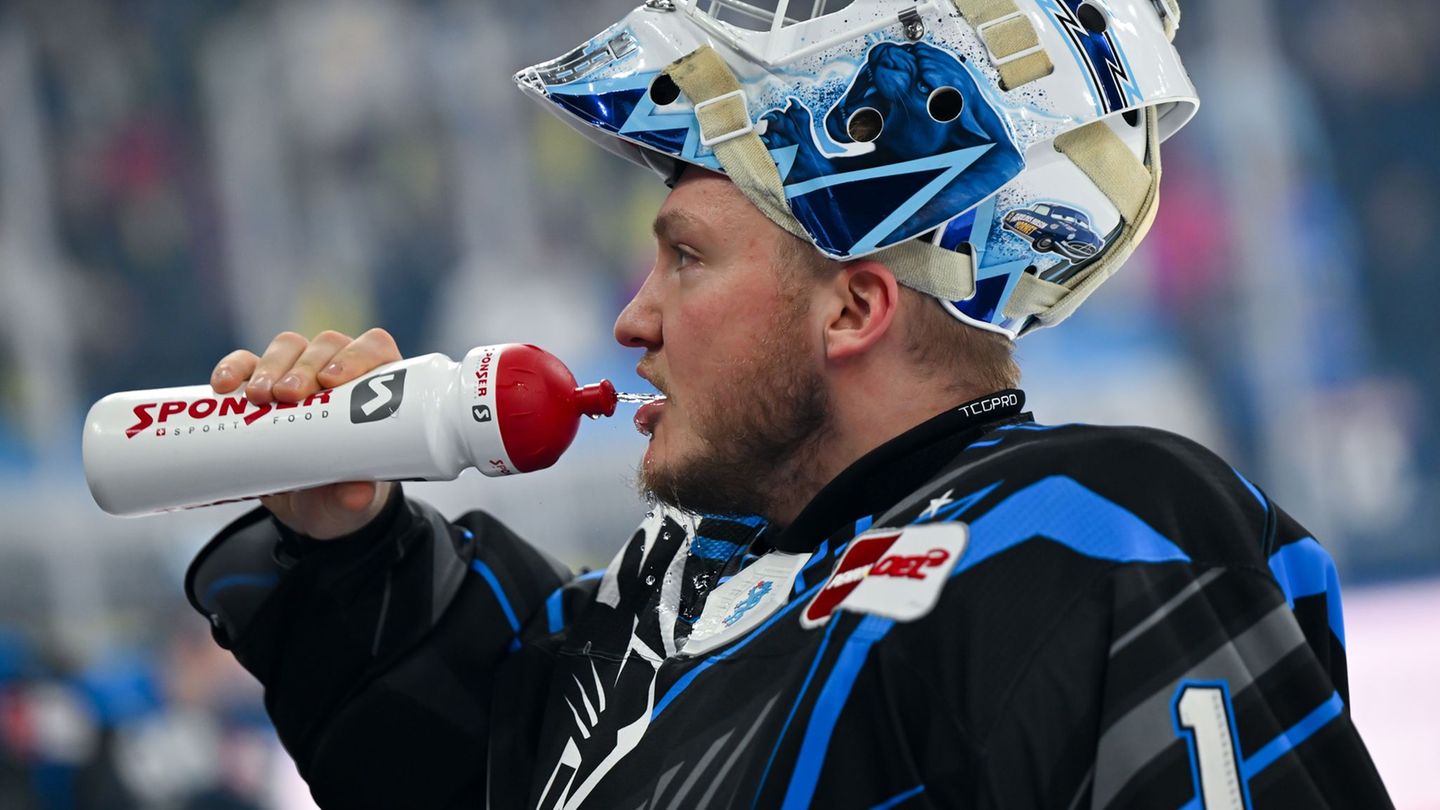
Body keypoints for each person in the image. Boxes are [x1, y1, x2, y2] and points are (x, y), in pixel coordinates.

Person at [186, 0, 1392, 807]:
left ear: (856, 308)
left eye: (688, 258)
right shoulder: (690, 595)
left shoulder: (1090, 534)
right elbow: (489, 759)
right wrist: (348, 545)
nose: (632, 320)